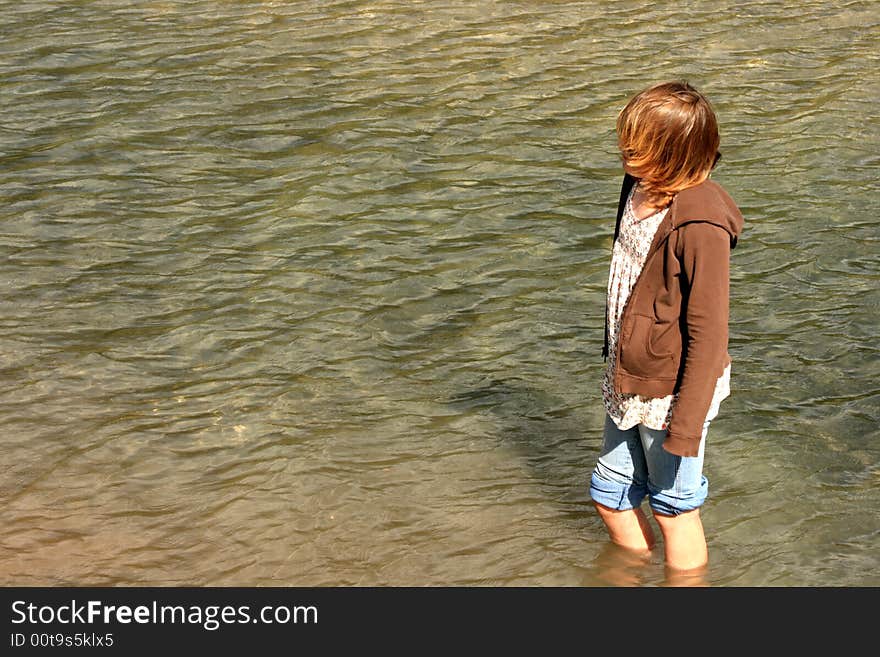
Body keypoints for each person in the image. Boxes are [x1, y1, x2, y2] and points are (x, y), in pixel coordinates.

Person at [589, 80, 744, 574]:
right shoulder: (636, 186)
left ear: (671, 155)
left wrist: (686, 428)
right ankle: (630, 578)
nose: (623, 152)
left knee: (674, 509)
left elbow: (709, 333)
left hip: (674, 391)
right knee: (609, 492)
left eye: (636, 147)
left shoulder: (700, 224)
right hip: (630, 375)